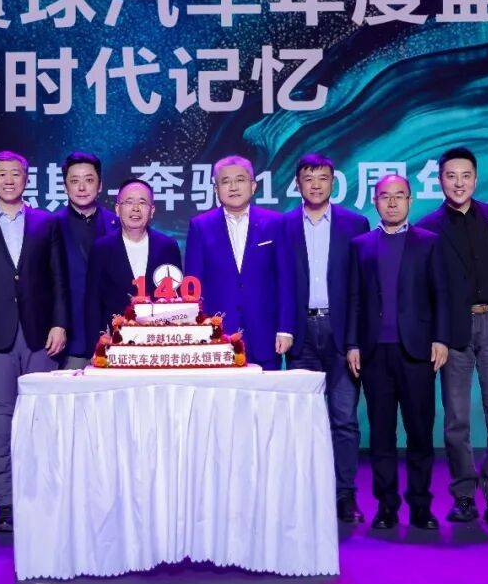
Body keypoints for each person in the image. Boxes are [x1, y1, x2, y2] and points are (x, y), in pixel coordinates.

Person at [0, 150, 68, 532]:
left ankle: (44, 500)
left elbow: (59, 279)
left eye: (16, 174)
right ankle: (5, 504)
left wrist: (60, 323)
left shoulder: (46, 223)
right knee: (1, 422)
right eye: (1, 174)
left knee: (42, 420)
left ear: (26, 179)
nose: (9, 180)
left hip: (41, 335)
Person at [416, 147, 488, 525]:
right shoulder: (427, 226)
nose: (458, 183)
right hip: (453, 331)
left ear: (475, 178)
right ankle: (463, 495)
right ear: (439, 180)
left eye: (466, 176)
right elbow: (426, 288)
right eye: (450, 176)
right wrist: (436, 335)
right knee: (456, 418)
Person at [347, 174, 449, 530]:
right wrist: (352, 344)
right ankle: (386, 506)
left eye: (399, 196)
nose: (392, 202)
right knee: (382, 434)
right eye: (385, 196)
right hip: (375, 353)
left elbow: (441, 295)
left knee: (420, 432)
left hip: (417, 352)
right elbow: (354, 299)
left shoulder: (429, 242)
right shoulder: (360, 245)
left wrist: (440, 338)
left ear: (410, 200)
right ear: (375, 201)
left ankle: (421, 506)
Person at [283, 154, 370, 523]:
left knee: (344, 418)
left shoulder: (355, 224)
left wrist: (354, 340)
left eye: (322, 178)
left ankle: (345, 495)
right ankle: (307, 495)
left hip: (341, 331)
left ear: (334, 182)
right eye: (308, 178)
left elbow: (361, 288)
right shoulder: (284, 225)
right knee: (303, 421)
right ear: (297, 184)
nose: (315, 185)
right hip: (300, 333)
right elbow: (280, 282)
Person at [184, 156, 295, 370]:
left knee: (265, 391)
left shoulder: (275, 223)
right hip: (217, 335)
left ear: (253, 186)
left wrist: (286, 329)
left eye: (240, 180)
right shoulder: (200, 226)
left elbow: (286, 281)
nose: (233, 187)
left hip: (265, 334)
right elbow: (193, 286)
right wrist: (197, 331)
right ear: (216, 189)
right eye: (225, 181)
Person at [85, 178, 182, 345]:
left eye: (142, 203)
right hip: (116, 343)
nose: (135, 208)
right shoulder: (101, 248)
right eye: (129, 202)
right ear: (118, 209)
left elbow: (177, 298)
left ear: (152, 210)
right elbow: (93, 302)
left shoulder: (168, 246)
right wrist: (96, 346)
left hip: (159, 342)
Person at [54, 152, 118, 369]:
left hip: (114, 335)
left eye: (89, 180)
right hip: (69, 338)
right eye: (74, 181)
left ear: (100, 185)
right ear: (65, 186)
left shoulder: (118, 224)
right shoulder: (50, 225)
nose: (82, 188)